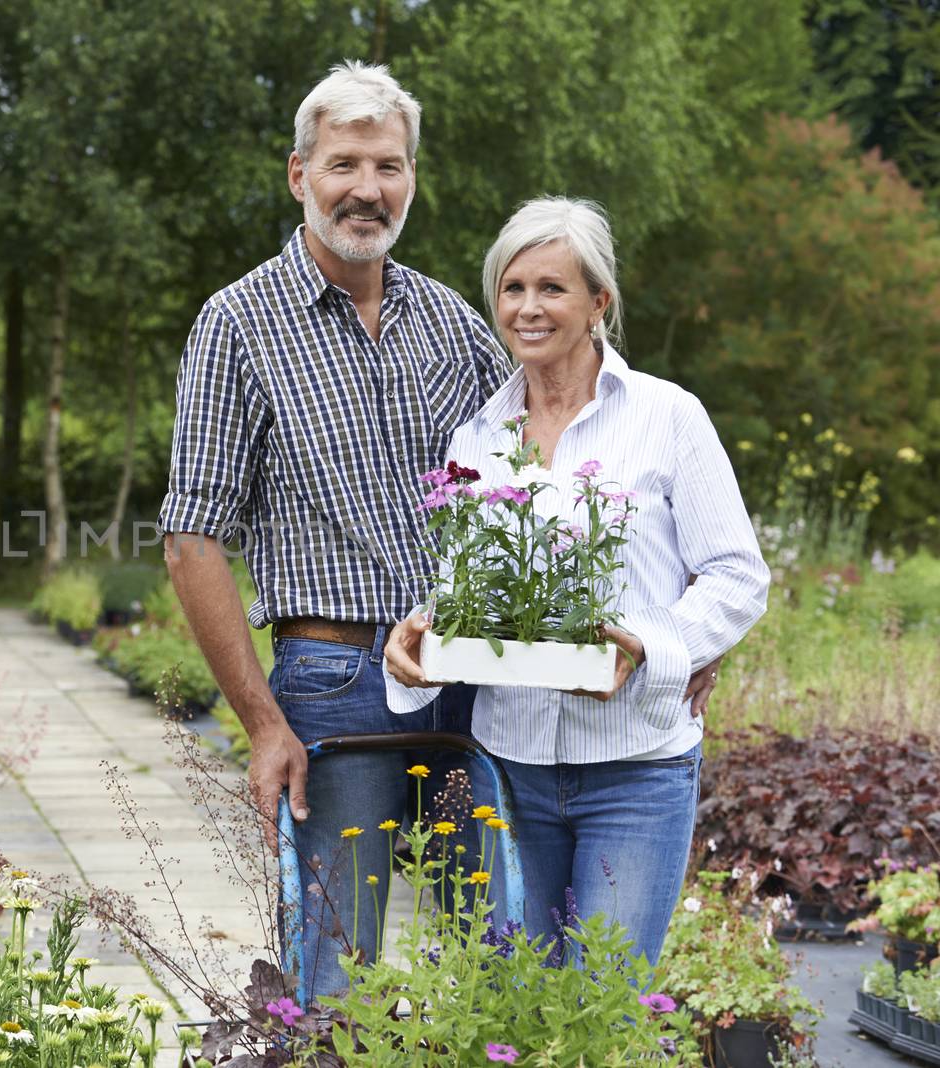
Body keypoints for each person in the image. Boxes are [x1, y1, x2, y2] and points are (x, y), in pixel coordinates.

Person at [160, 59, 516, 1003]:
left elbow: (561, 471)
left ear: (411, 178)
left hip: (467, 681)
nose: (368, 190)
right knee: (332, 979)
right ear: (299, 174)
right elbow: (193, 539)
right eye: (346, 164)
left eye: (389, 167)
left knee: (496, 962)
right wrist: (261, 722)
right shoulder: (237, 324)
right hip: (332, 687)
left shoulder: (454, 324)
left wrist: (677, 611)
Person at [383, 196, 770, 967]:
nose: (528, 308)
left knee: (605, 1002)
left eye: (552, 288)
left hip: (636, 769)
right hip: (510, 771)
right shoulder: (479, 435)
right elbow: (477, 591)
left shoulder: (668, 417)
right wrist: (420, 631)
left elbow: (737, 575)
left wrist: (655, 647)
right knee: (512, 1003)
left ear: (599, 302)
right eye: (512, 288)